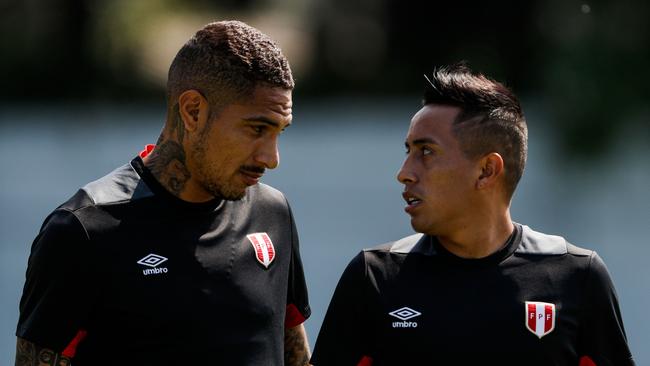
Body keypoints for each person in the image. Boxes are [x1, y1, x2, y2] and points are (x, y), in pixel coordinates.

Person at [16, 20, 311, 366]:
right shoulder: (84, 231)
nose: (271, 159)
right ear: (193, 111)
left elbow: (296, 357)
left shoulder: (272, 212)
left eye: (279, 132)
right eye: (257, 128)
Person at [310, 64, 634, 365]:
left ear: (486, 171)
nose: (404, 172)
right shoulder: (373, 276)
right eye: (407, 151)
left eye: (426, 151)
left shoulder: (578, 276)